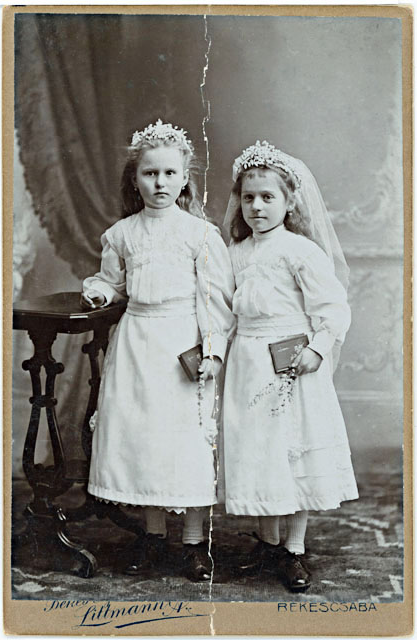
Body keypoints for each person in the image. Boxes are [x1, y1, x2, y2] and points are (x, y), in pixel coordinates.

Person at [82, 120, 235, 581]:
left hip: (183, 343)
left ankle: (194, 542)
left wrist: (211, 351)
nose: (160, 183)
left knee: (187, 440)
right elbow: (112, 282)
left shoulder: (200, 235)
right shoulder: (122, 234)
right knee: (144, 438)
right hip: (136, 343)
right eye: (150, 174)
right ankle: (152, 536)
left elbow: (215, 300)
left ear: (185, 178)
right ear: (135, 180)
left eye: (170, 174)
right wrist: (100, 293)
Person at [222, 140, 358, 592]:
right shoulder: (235, 252)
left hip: (292, 363)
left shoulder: (301, 251)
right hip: (247, 363)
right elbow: (225, 308)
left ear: (290, 201)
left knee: (292, 449)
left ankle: (294, 548)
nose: (257, 207)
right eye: (248, 197)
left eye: (268, 197)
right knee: (260, 451)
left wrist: (318, 347)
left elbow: (332, 307)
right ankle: (267, 542)